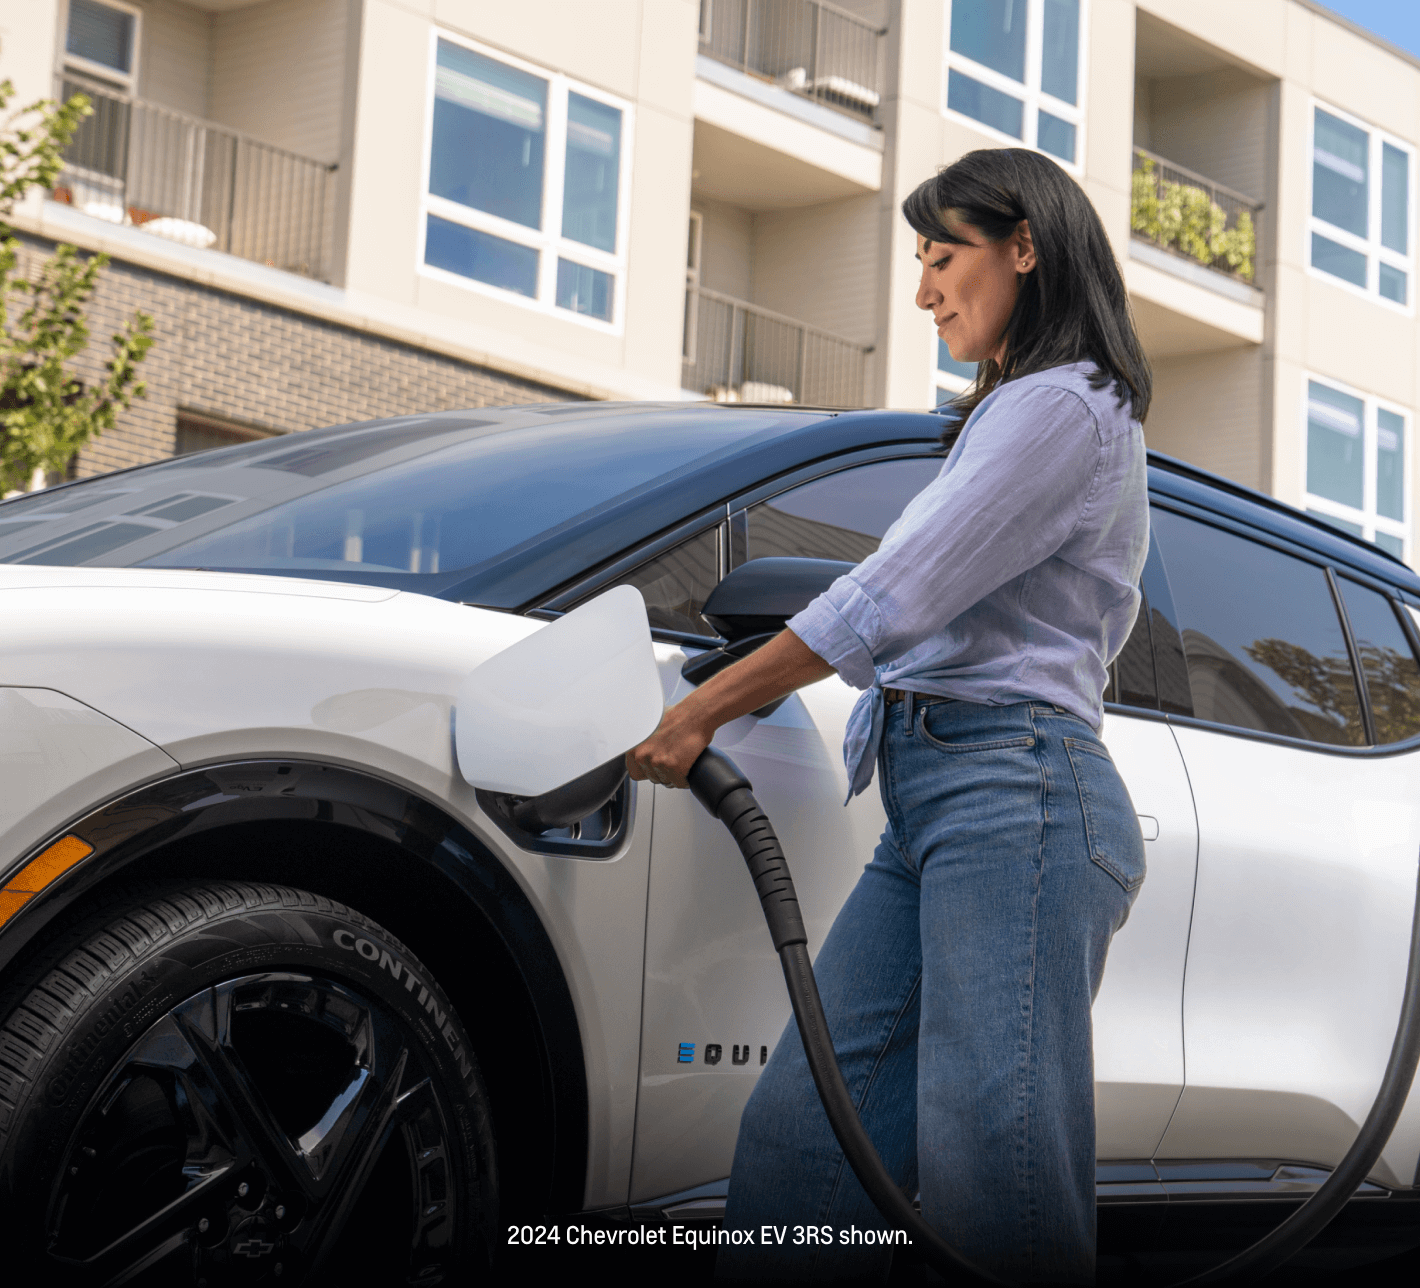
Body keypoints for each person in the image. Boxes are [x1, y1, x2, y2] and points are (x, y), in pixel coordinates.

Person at [627, 147, 1152, 1284]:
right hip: (935, 803)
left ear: (1025, 245)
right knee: (801, 1146)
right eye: (918, 261)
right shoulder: (1015, 411)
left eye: (941, 255)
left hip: (1014, 797)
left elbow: (890, 593)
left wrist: (701, 708)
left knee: (994, 1180)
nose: (922, 292)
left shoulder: (1064, 407)